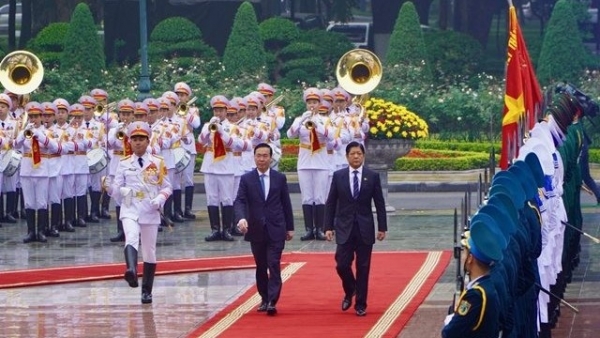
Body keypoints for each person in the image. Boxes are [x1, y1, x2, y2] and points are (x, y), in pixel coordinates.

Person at [106, 121, 172, 304]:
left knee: (149, 251)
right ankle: (131, 271)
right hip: (130, 208)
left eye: (141, 139)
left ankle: (146, 290)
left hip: (150, 210)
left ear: (148, 140)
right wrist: (110, 188)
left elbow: (167, 187)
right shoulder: (124, 163)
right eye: (134, 139)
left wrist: (159, 199)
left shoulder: (157, 162)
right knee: (131, 237)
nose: (137, 143)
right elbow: (117, 189)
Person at [324, 141, 387, 316]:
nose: (356, 156)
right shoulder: (339, 176)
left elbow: (379, 203)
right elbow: (331, 202)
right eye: (352, 154)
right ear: (347, 156)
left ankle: (361, 304)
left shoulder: (372, 176)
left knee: (363, 267)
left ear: (363, 156)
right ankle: (350, 289)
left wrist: (382, 227)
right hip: (344, 227)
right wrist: (328, 226)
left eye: (359, 153)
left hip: (365, 228)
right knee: (342, 265)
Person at [234, 143, 294, 316]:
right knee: (261, 265)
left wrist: (289, 227)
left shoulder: (279, 178)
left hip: (276, 228)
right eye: (258, 156)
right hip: (256, 229)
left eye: (265, 156)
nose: (262, 159)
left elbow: (286, 203)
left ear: (271, 158)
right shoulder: (246, 179)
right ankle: (264, 298)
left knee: (273, 264)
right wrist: (241, 218)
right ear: (254, 157)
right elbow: (239, 201)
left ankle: (272, 301)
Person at [441, 213, 502, 338]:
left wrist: (449, 321)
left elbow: (450, 332)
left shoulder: (475, 295)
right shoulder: (487, 285)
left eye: (464, 252)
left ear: (470, 259)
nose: (462, 256)